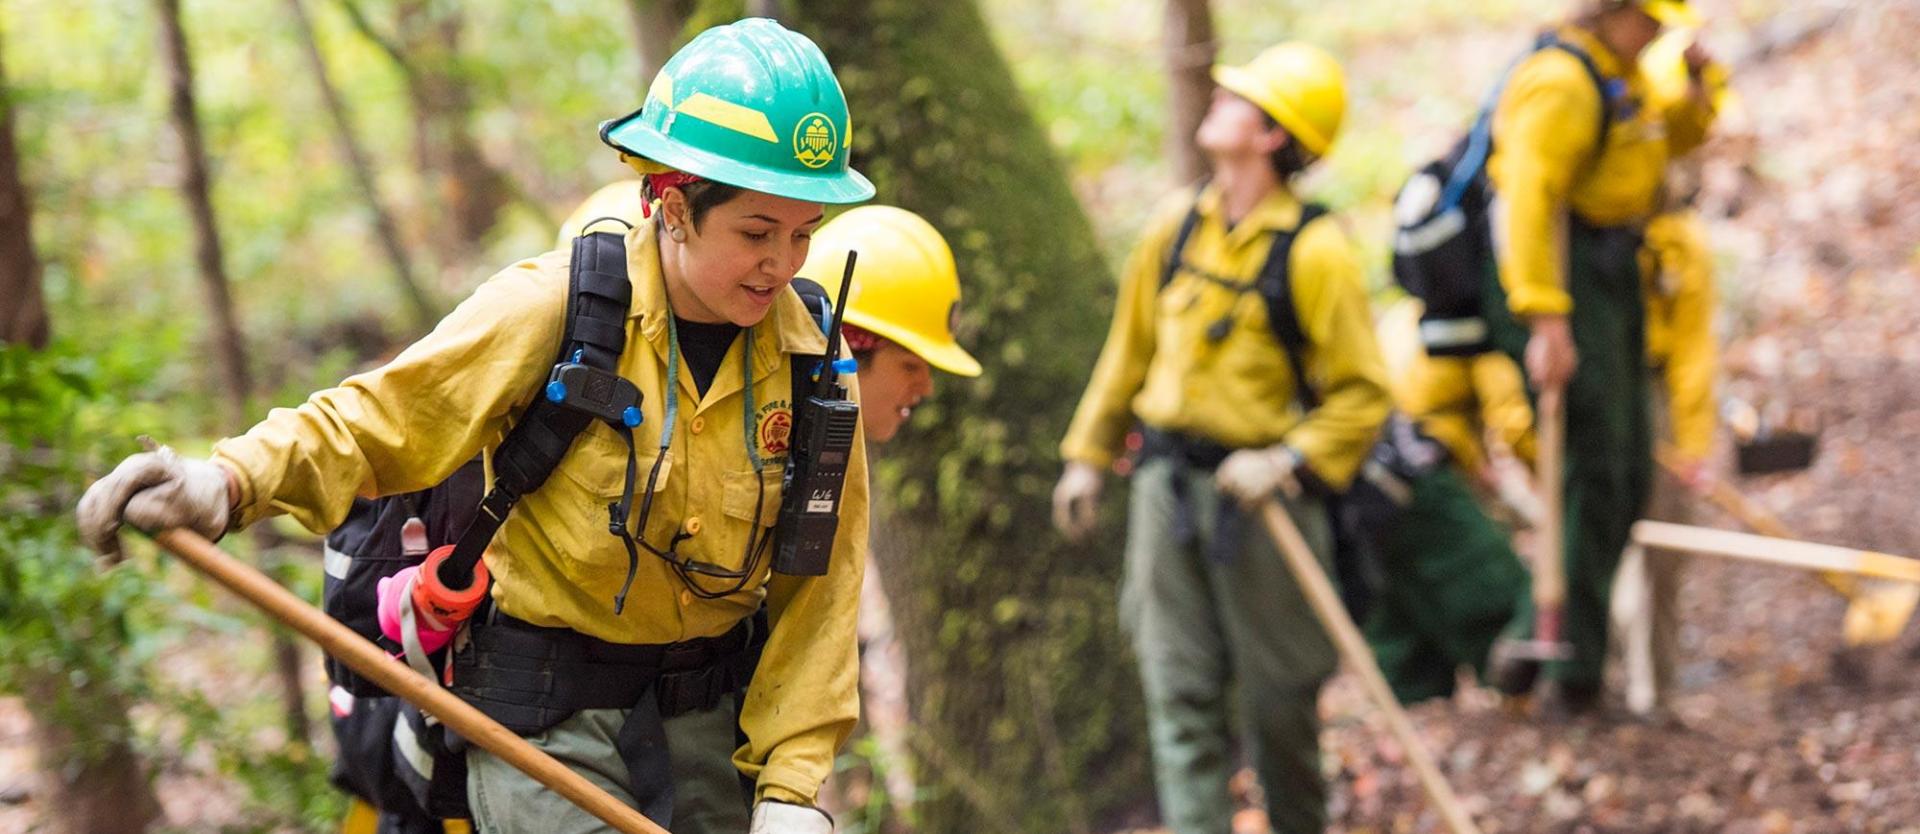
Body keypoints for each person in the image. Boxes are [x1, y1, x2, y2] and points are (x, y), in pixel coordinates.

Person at [77, 18, 873, 834]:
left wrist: (791, 793)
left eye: (804, 233)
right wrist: (225, 481)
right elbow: (377, 420)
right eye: (756, 232)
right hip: (547, 729)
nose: (784, 262)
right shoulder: (554, 309)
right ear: (672, 205)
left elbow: (821, 599)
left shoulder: (817, 371)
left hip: (709, 736)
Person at [1051, 42, 1391, 834]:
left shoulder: (1316, 252)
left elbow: (1365, 394)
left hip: (1266, 511)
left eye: (1241, 98)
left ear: (1273, 135)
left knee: (1279, 704)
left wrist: (1289, 458)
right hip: (1166, 493)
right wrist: (1087, 459)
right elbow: (1127, 351)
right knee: (1178, 693)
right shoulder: (1177, 226)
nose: (1219, 99)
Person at [1481, 0, 1725, 712]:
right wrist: (1545, 315)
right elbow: (1525, 199)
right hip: (1567, 276)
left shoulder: (1624, 76)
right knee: (1595, 471)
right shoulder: (1561, 82)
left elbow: (1658, 145)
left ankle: (1548, 641)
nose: (1656, 31)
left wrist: (1696, 91)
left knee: (1625, 471)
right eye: (1648, 18)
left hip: (1615, 277)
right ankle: (1569, 670)